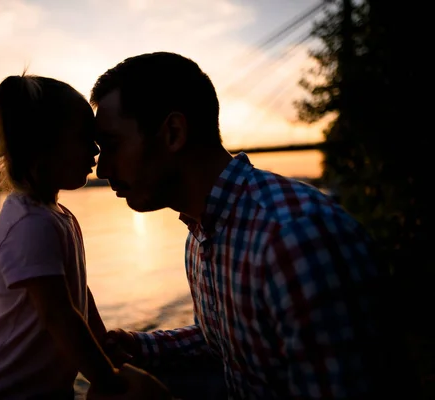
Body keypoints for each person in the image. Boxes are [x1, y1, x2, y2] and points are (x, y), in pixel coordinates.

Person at [86, 52, 401, 399]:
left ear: (173, 133)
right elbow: (227, 342)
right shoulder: (201, 234)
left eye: (112, 146)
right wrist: (139, 346)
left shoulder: (295, 241)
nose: (101, 170)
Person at [0, 74, 125, 399]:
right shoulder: (29, 224)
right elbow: (58, 315)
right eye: (83, 138)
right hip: (3, 388)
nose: (95, 149)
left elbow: (77, 296)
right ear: (41, 146)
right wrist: (109, 381)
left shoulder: (54, 215)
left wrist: (106, 349)